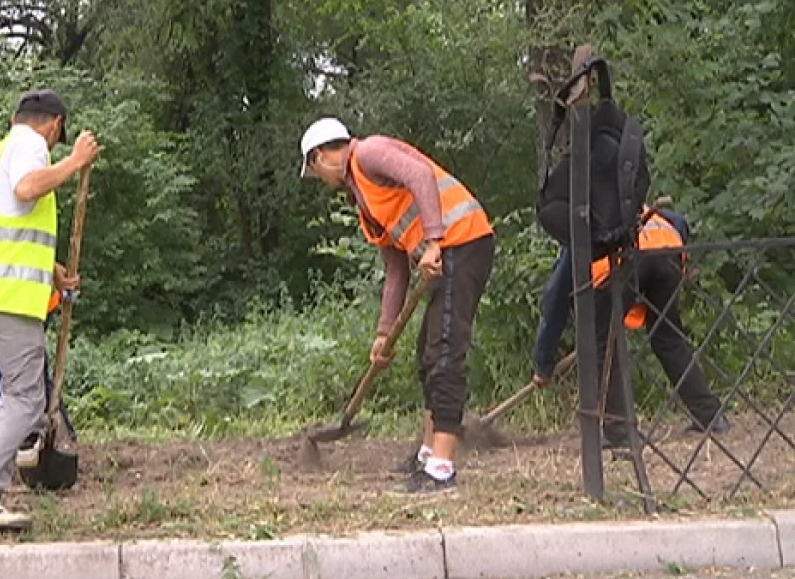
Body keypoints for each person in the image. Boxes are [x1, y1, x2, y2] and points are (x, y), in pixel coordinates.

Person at [301, 117, 495, 492]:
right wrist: (384, 333)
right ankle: (427, 453)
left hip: (462, 242)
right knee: (427, 353)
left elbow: (420, 174)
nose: (321, 181)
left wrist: (435, 240)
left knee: (444, 351)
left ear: (320, 156)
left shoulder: (369, 152)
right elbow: (395, 270)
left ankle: (442, 467)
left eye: (314, 171)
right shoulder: (366, 203)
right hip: (447, 249)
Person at [0, 89, 99, 529]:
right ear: (54, 125)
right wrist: (74, 163)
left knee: (21, 395)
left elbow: (6, 222)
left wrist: (49, 269)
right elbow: (28, 187)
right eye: (58, 139)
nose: (54, 147)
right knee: (28, 397)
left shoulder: (2, 150)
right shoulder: (29, 144)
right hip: (1, 297)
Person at [535, 206, 728, 449]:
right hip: (668, 250)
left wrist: (543, 364)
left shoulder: (580, 234)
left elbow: (555, 300)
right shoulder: (631, 208)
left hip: (626, 261)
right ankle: (710, 416)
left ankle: (618, 431)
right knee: (667, 339)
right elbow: (679, 221)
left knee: (603, 345)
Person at [0, 289, 78, 461]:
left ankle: (5, 445)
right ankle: (53, 435)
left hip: (28, 301)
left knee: (9, 366)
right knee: (26, 367)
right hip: (18, 301)